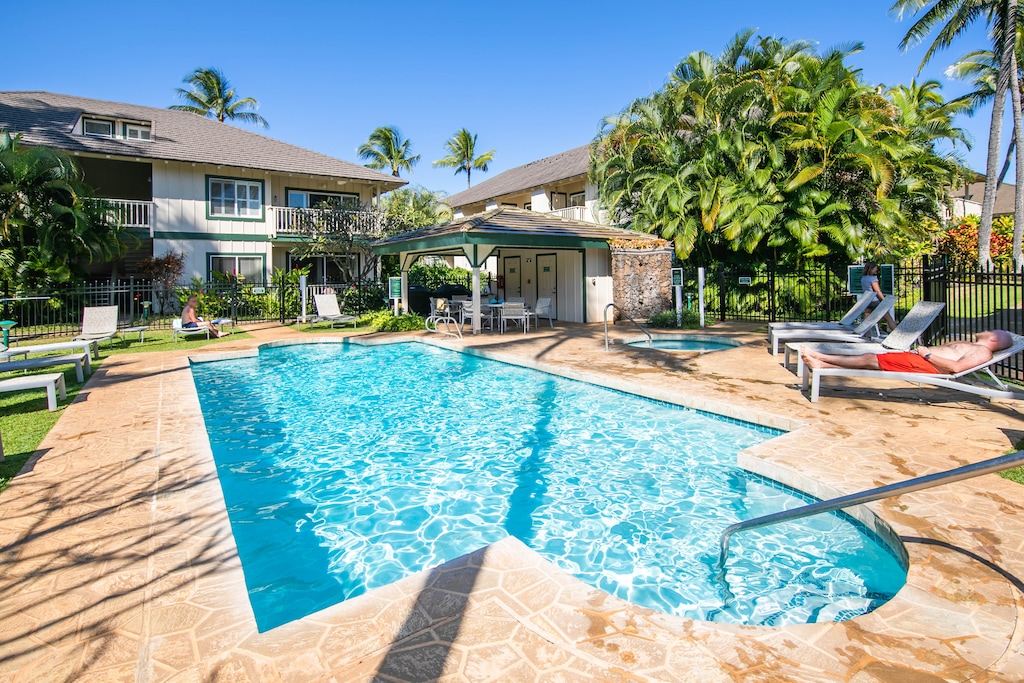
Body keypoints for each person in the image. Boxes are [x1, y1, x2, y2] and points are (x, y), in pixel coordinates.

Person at [801, 330, 1013, 375]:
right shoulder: (974, 346)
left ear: (994, 339)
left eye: (993, 331)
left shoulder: (982, 353)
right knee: (871, 362)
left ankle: (821, 357)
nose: (988, 330)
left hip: (925, 363)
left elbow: (956, 367)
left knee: (869, 360)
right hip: (920, 358)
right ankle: (822, 366)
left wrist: (927, 355)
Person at [861, 261, 898, 332]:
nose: (876, 270)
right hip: (874, 301)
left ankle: (866, 333)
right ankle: (896, 333)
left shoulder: (863, 278)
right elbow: (878, 291)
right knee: (888, 318)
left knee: (866, 317)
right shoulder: (873, 279)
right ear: (871, 269)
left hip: (867, 300)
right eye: (875, 268)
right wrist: (884, 300)